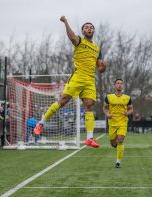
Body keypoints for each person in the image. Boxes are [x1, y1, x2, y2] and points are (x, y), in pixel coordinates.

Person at [33, 16, 106, 148]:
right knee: (63, 101)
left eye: (91, 27)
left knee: (89, 106)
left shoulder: (97, 48)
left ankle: (89, 138)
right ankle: (41, 123)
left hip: (90, 80)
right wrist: (65, 22)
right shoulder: (79, 40)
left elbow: (100, 68)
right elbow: (72, 37)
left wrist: (103, 66)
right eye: (86, 27)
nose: (89, 28)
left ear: (94, 31)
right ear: (83, 31)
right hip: (78, 77)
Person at [103, 79, 133, 168]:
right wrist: (107, 114)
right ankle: (115, 144)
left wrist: (127, 113)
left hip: (123, 122)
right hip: (112, 123)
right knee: (113, 143)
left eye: (121, 83)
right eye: (118, 83)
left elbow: (131, 109)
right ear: (115, 85)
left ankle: (118, 162)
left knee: (120, 140)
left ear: (122, 85)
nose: (119, 85)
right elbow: (104, 108)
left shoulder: (127, 98)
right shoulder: (108, 97)